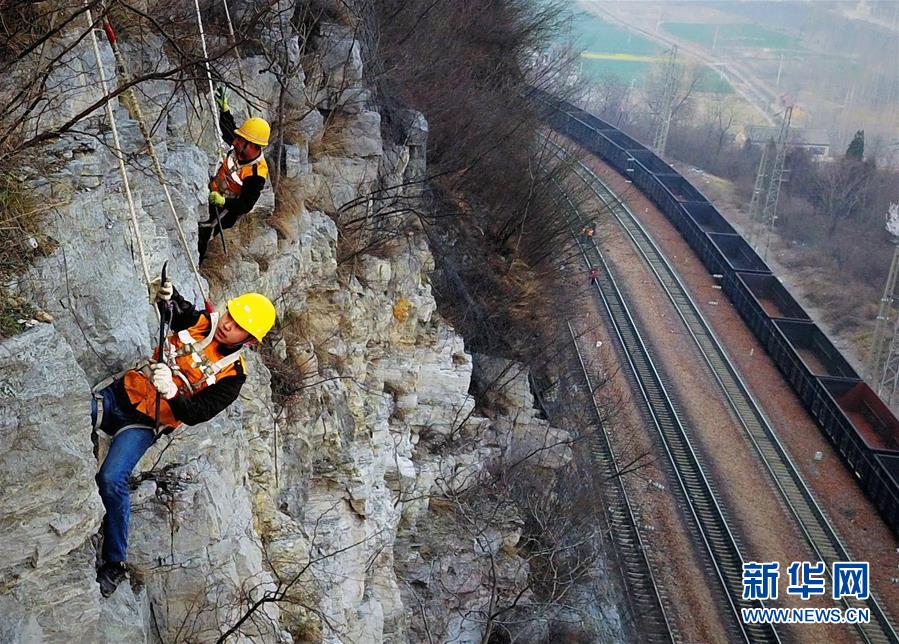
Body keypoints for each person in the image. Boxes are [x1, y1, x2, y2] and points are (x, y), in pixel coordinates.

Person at [91, 278, 276, 597]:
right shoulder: (203, 323)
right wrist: (168, 294)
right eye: (230, 316)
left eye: (238, 327)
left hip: (144, 423)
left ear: (248, 340)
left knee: (111, 478)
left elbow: (197, 413)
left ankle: (115, 562)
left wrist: (173, 393)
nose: (227, 325)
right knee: (72, 413)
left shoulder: (232, 378)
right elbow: (178, 310)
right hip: (120, 393)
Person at [198, 86, 270, 262]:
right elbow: (229, 129)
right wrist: (225, 109)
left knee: (203, 234)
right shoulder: (241, 147)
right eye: (238, 139)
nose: (235, 142)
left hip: (223, 211)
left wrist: (222, 201)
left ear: (253, 146)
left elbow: (246, 205)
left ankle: (198, 262)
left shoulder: (256, 174)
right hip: (213, 191)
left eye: (241, 140)